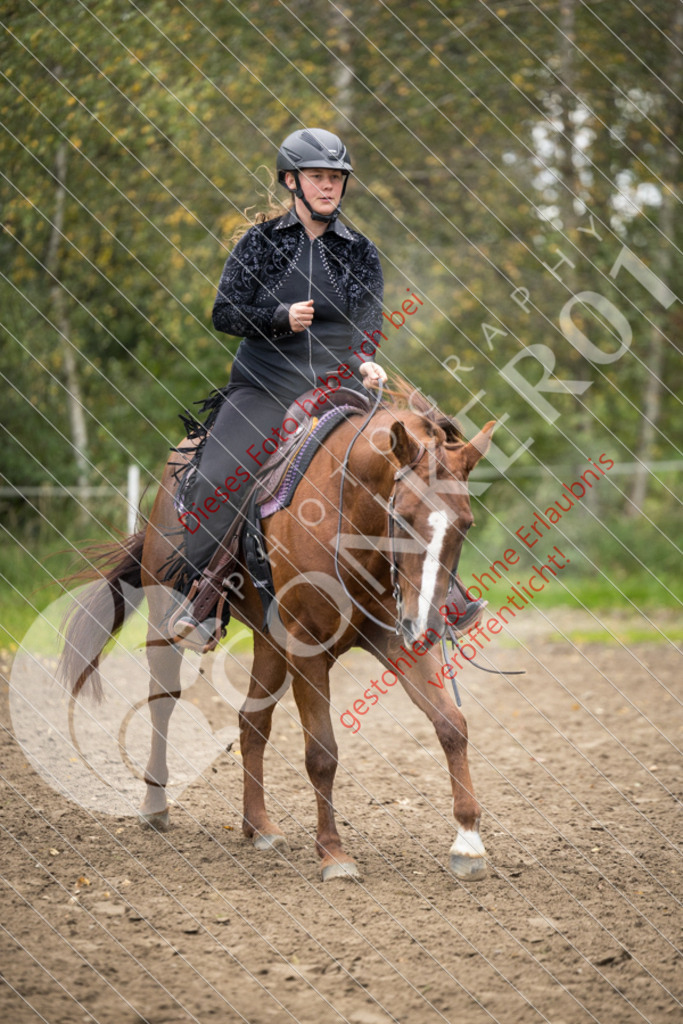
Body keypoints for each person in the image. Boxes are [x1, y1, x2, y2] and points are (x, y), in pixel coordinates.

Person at [172, 127, 387, 642]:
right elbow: (224, 312)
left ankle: (439, 596)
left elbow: (368, 326)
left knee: (415, 463)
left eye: (336, 178)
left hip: (339, 390)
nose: (329, 187)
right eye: (318, 177)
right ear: (292, 181)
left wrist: (366, 361)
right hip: (264, 389)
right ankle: (203, 600)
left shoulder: (361, 252)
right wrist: (278, 317)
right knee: (217, 477)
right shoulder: (261, 243)